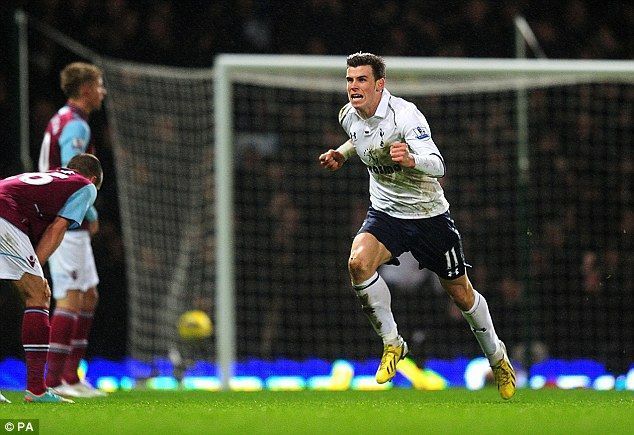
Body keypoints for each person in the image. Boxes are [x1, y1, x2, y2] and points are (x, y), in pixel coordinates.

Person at [318, 52, 516, 399]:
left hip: (428, 216)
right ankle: (393, 343)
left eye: (361, 80)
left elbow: (438, 164)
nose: (353, 87)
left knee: (461, 294)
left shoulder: (406, 116)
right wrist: (342, 154)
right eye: (349, 80)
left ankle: (497, 358)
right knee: (357, 264)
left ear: (380, 84)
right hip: (386, 213)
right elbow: (361, 137)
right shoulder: (348, 115)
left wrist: (411, 158)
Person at [0, 153, 103, 403]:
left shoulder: (53, 177)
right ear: (93, 178)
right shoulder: (86, 186)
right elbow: (58, 227)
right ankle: (36, 389)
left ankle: (37, 388)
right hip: (4, 214)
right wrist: (37, 267)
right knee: (39, 293)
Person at [38, 62, 107, 398]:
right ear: (85, 90)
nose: (102, 92)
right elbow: (74, 170)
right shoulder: (75, 125)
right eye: (99, 85)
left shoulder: (64, 119)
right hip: (65, 218)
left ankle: (70, 377)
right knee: (70, 296)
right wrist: (89, 209)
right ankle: (53, 383)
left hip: (66, 215)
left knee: (89, 294)